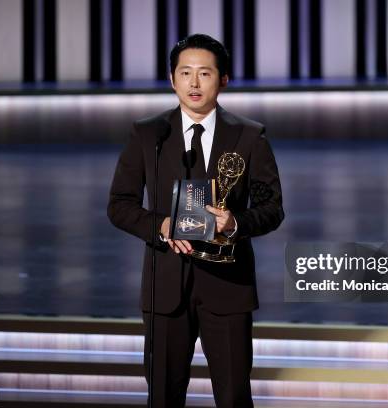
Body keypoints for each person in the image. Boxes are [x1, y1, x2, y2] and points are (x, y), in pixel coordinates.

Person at [107, 33, 283, 408]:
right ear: (172, 79)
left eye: (205, 73)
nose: (194, 83)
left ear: (224, 80)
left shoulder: (250, 136)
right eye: (185, 73)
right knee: (163, 396)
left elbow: (272, 209)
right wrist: (161, 226)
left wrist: (233, 223)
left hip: (228, 287)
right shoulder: (148, 133)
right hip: (165, 286)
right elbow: (120, 205)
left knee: (234, 396)